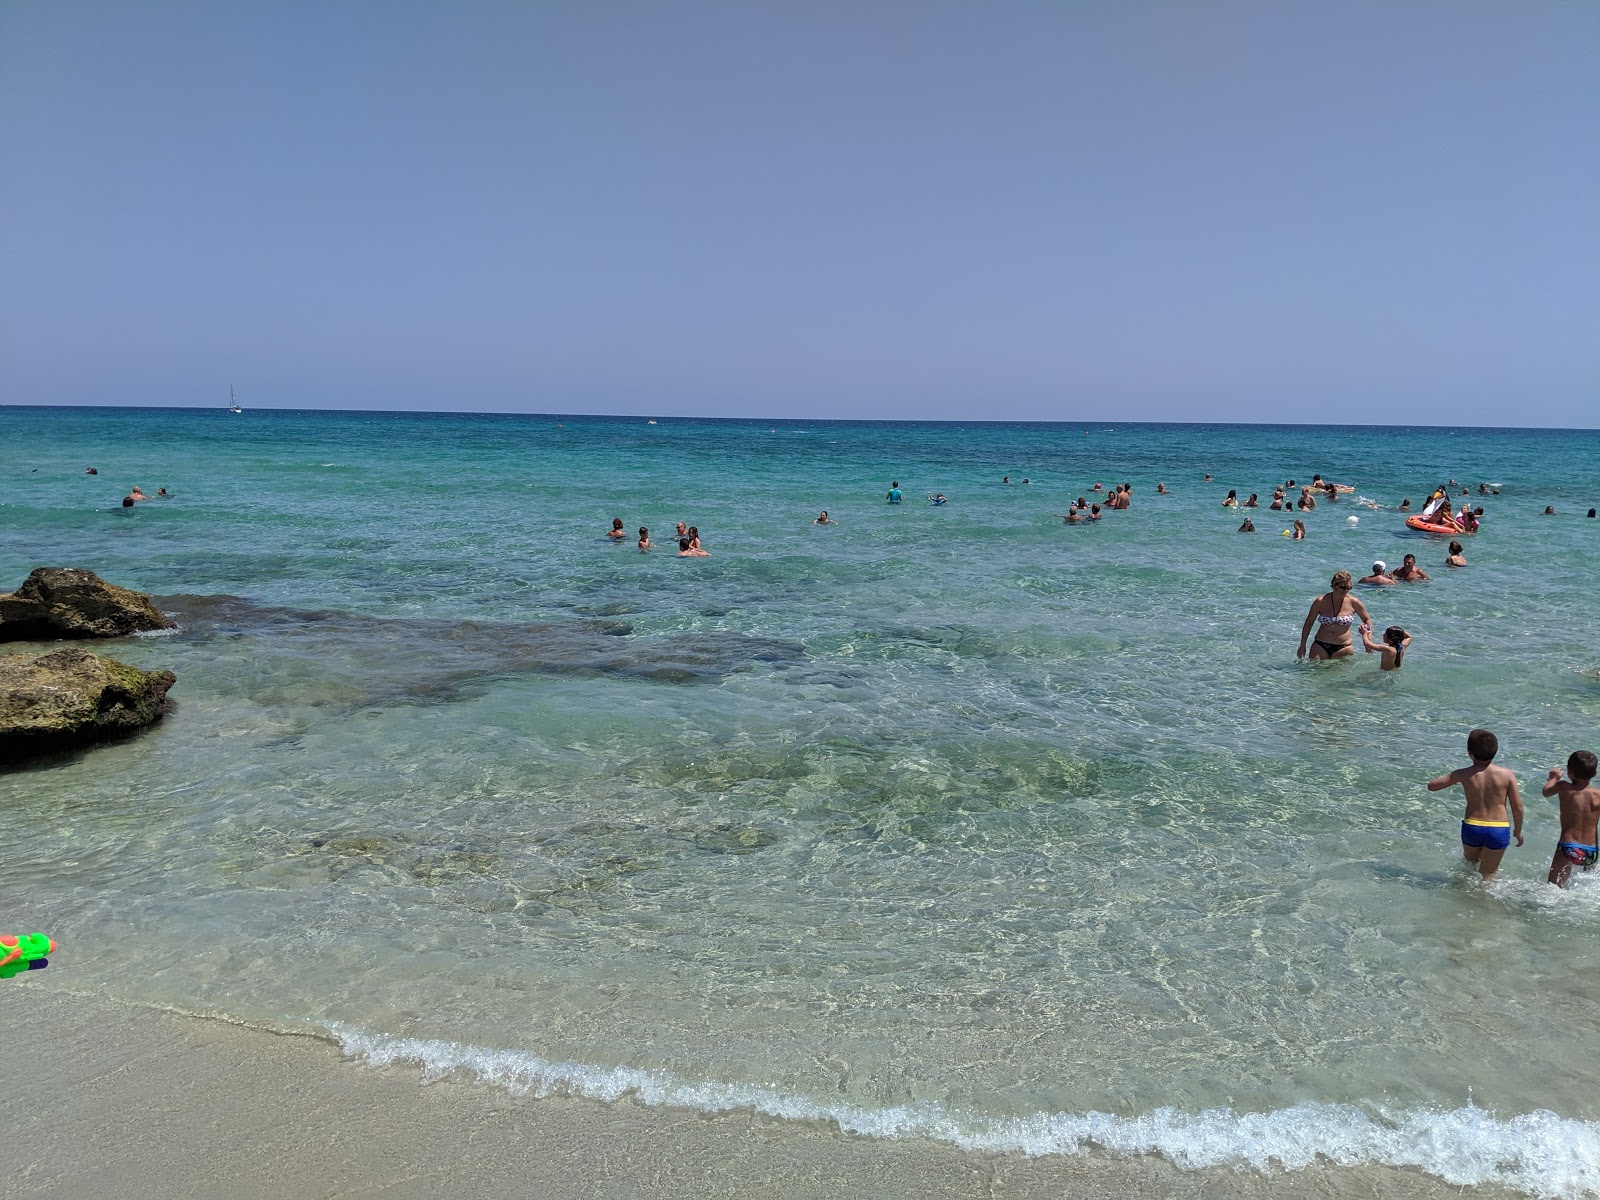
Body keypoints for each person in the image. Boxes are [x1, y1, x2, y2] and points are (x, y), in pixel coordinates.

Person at [1427, 728, 1524, 882]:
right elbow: (1517, 807)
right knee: (1489, 875)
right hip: (1498, 828)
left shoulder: (1464, 773)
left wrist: (1453, 777)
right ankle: (1482, 903)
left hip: (1472, 826)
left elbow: (1432, 786)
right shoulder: (1507, 774)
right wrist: (1517, 831)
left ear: (1469, 753)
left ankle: (1462, 900)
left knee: (1469, 868)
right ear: (1495, 751)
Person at [1543, 750, 1600, 888]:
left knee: (1554, 887)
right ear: (1595, 772)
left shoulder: (1563, 787)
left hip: (1569, 848)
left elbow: (1546, 791)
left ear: (1569, 771)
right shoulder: (1598, 795)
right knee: (1588, 885)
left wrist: (1553, 778)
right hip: (1592, 851)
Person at [1297, 570, 1372, 660]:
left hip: (1344, 647)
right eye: (1344, 587)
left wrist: (1368, 641)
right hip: (1320, 645)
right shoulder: (1321, 601)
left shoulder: (1354, 602)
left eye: (1349, 587)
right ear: (1335, 585)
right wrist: (1302, 645)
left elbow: (1367, 620)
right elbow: (1309, 623)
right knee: (1314, 673)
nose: (1346, 590)